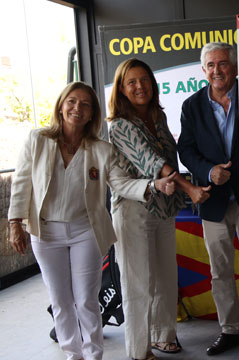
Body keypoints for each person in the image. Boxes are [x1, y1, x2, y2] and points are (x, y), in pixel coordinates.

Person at [8, 82, 176, 360]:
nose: (77, 108)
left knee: (87, 300)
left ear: (92, 114)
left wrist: (153, 185)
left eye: (85, 104)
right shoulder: (37, 140)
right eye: (72, 101)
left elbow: (121, 183)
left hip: (85, 231)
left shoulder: (101, 149)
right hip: (45, 233)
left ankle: (94, 354)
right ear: (61, 106)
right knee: (61, 301)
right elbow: (22, 183)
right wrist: (15, 223)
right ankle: (73, 354)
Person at [107, 58, 211, 360]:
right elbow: (151, 162)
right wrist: (190, 189)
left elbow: (172, 157)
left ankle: (164, 336)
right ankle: (139, 351)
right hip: (133, 211)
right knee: (138, 283)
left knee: (165, 277)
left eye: (144, 80)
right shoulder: (120, 126)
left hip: (164, 210)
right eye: (132, 82)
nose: (140, 87)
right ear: (122, 89)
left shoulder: (158, 116)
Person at [177, 42, 239, 356]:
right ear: (204, 70)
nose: (217, 70)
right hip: (213, 200)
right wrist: (208, 170)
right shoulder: (191, 106)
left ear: (235, 66)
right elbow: (186, 150)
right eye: (210, 65)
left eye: (223, 63)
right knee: (220, 270)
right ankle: (230, 330)